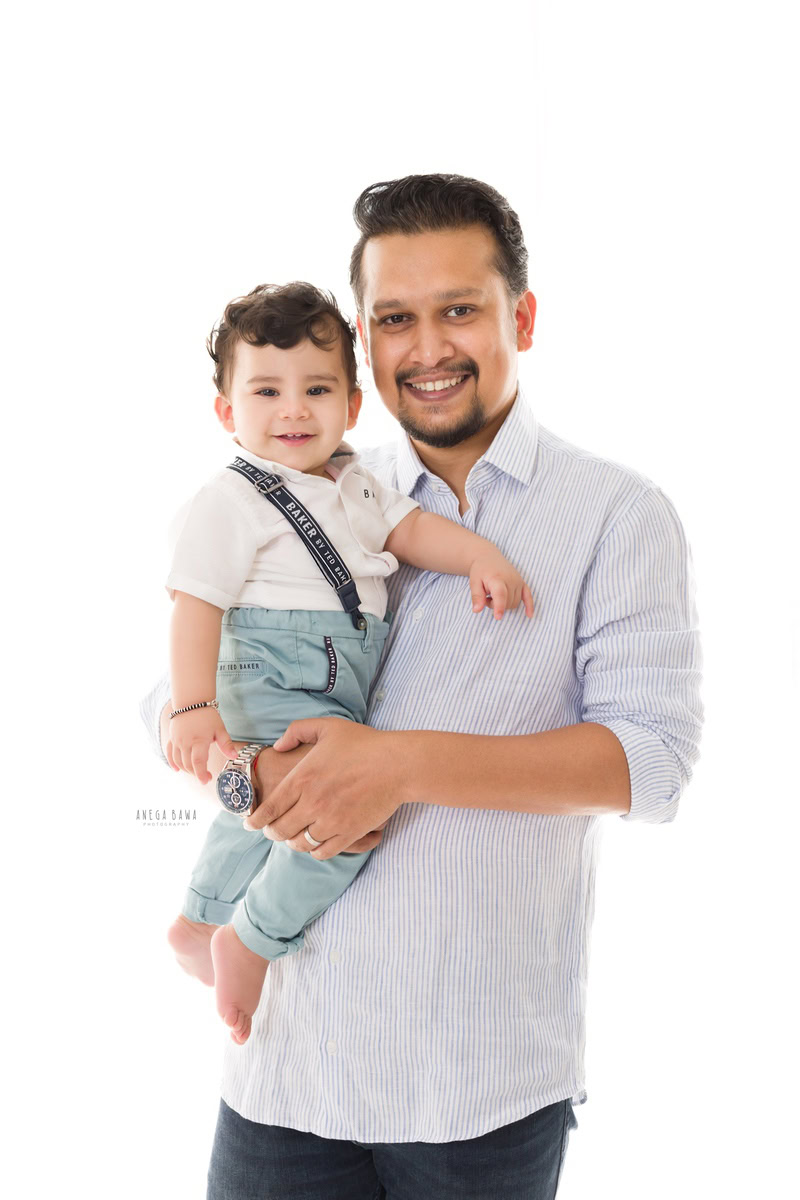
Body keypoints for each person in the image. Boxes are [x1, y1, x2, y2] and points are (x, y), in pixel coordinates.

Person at [142, 173, 703, 1199]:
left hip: (475, 1084)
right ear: (363, 340)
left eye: (459, 310)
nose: (428, 348)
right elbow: (177, 690)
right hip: (286, 1062)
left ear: (519, 317)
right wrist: (227, 755)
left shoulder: (615, 513)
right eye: (396, 318)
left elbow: (652, 766)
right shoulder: (316, 483)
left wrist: (393, 766)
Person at [165, 280, 533, 1046]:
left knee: (259, 818)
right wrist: (194, 707)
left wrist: (480, 556)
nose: (294, 409)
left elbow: (415, 533)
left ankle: (201, 921)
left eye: (318, 388)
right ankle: (253, 941)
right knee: (339, 828)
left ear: (352, 407)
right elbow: (195, 603)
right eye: (267, 391)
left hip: (330, 673)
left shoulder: (356, 482)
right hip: (274, 668)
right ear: (228, 414)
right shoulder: (230, 499)